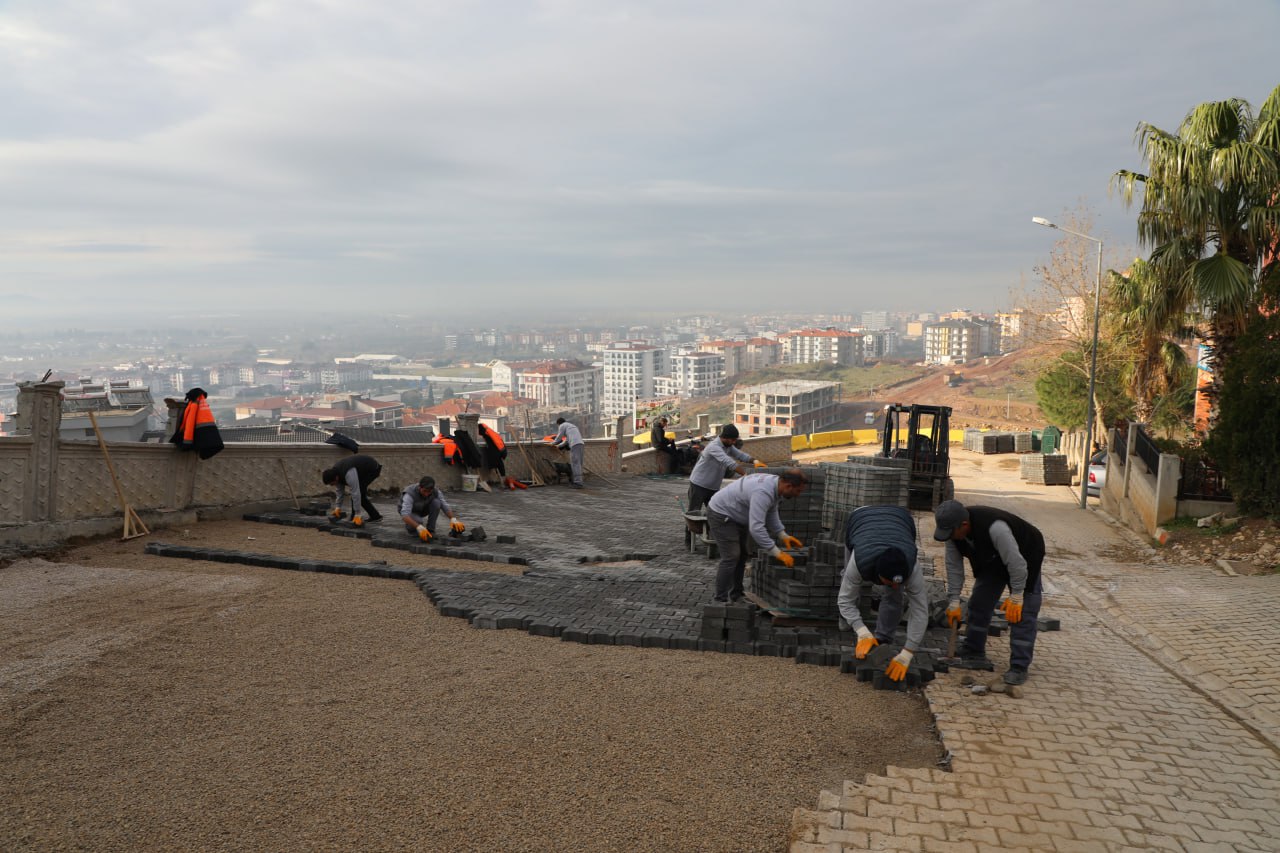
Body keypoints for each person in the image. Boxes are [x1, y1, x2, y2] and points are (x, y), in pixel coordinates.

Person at [933, 499, 1045, 686]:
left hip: (1026, 556)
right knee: (978, 603)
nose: (949, 537)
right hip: (993, 560)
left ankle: (1019, 666)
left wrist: (1017, 595)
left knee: (1022, 614)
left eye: (951, 533)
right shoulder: (952, 535)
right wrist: (953, 600)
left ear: (964, 525)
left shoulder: (996, 528)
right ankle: (973, 649)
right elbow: (954, 568)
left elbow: (1017, 565)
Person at [836, 506, 928, 683]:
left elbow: (920, 610)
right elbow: (845, 599)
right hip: (860, 519)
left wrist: (908, 651)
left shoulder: (912, 567)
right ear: (878, 576)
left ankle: (882, 638)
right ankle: (849, 623)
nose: (895, 585)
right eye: (890, 582)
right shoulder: (859, 562)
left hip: (900, 520)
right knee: (847, 583)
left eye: (898, 582)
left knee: (894, 595)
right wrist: (861, 630)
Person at [706, 468, 809, 603]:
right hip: (721, 514)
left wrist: (782, 535)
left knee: (742, 555)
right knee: (731, 556)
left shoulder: (775, 485)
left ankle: (736, 594)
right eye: (798, 491)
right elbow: (756, 528)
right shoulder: (763, 492)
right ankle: (720, 599)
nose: (798, 495)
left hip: (736, 515)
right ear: (788, 485)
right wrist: (776, 552)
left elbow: (771, 511)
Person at [686, 424, 766, 513]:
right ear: (725, 438)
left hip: (713, 487)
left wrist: (755, 461)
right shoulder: (714, 447)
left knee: (714, 513)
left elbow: (740, 455)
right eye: (733, 440)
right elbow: (728, 462)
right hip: (699, 484)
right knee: (694, 513)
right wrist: (745, 474)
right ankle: (691, 527)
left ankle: (709, 527)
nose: (734, 442)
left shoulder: (728, 446)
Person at [321, 453, 384, 525]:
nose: (332, 485)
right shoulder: (335, 473)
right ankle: (366, 516)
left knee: (359, 494)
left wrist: (358, 514)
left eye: (332, 483)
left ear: (336, 478)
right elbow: (339, 492)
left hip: (372, 469)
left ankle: (372, 517)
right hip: (360, 470)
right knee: (357, 495)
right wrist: (338, 507)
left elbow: (355, 492)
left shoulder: (348, 473)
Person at [399, 476, 464, 540]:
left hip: (422, 509)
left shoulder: (435, 491)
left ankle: (431, 530)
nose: (426, 494)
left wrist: (453, 519)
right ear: (419, 487)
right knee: (418, 522)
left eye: (429, 492)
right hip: (411, 512)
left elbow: (444, 505)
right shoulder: (409, 493)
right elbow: (405, 515)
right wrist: (419, 527)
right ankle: (412, 530)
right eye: (424, 491)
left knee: (437, 502)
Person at [551, 417, 585, 488]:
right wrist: (559, 446)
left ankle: (578, 483)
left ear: (558, 423)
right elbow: (566, 440)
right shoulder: (572, 426)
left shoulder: (562, 425)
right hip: (580, 444)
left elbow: (559, 437)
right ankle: (579, 481)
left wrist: (553, 444)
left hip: (574, 445)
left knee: (575, 464)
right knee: (579, 464)